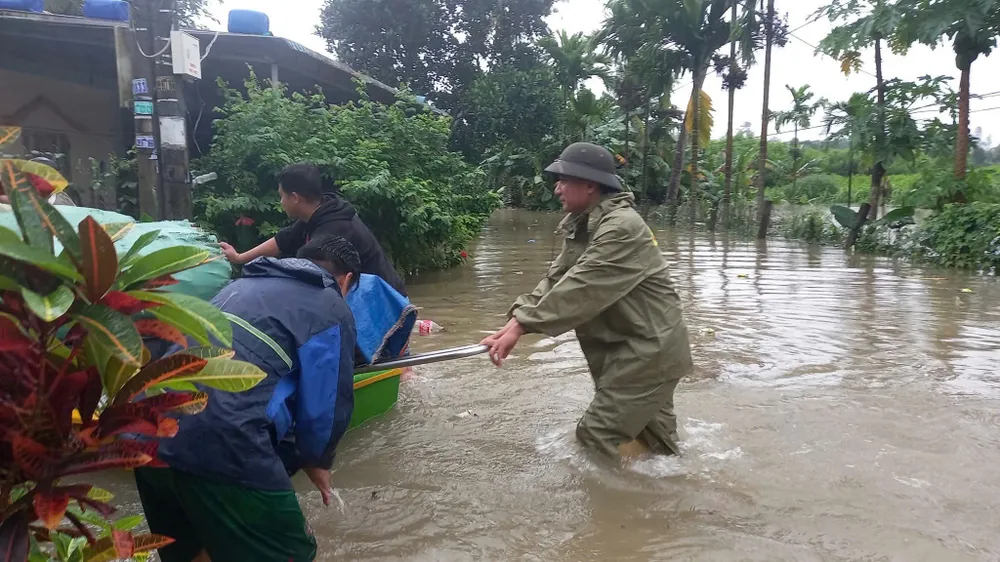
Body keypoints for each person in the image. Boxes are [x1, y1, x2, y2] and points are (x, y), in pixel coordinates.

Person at [134, 234, 361, 562]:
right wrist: (318, 461)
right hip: (224, 442)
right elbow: (327, 406)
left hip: (145, 432)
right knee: (292, 552)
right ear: (347, 279)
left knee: (198, 553)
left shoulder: (238, 286)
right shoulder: (331, 306)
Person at [480, 142, 694, 461]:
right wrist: (514, 322)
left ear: (590, 185)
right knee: (658, 446)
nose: (557, 189)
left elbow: (582, 287)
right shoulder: (584, 224)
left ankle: (609, 505)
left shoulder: (622, 227)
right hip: (633, 349)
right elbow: (557, 279)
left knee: (595, 436)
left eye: (564, 180)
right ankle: (674, 497)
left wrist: (524, 325)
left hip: (648, 352)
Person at [219, 162, 407, 296]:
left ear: (295, 197)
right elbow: (282, 240)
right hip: (361, 296)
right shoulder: (318, 213)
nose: (281, 202)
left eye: (281, 196)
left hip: (384, 303)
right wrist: (239, 257)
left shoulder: (333, 231)